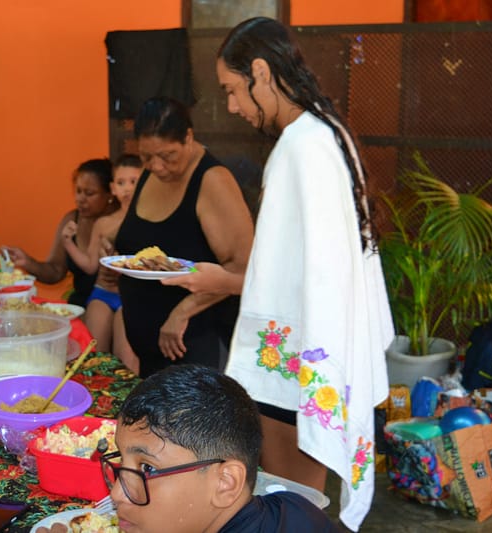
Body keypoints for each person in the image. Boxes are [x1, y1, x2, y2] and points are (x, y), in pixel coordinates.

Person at [162, 17, 394, 531]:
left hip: (292, 363)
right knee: (301, 504)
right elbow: (303, 270)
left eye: (232, 90)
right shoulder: (327, 133)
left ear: (261, 73)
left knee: (295, 506)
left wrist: (214, 282)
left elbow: (295, 280)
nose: (233, 107)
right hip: (310, 349)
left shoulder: (300, 146)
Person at [101, 364, 339, 532]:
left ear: (226, 483)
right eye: (121, 459)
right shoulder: (293, 507)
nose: (116, 494)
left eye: (147, 468)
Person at [114, 97, 254, 378]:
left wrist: (182, 312)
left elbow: (243, 269)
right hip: (151, 356)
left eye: (167, 156)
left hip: (194, 348)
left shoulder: (213, 181)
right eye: (146, 157)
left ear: (188, 137)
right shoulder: (151, 173)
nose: (156, 166)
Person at [63, 153, 141, 372]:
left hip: (131, 296)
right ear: (113, 188)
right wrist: (68, 243)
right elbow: (89, 265)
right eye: (121, 182)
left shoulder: (150, 222)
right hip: (103, 292)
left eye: (134, 182)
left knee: (127, 363)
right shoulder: (104, 223)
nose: (127, 188)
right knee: (91, 357)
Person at [2, 158, 116, 307]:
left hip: (113, 304)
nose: (80, 199)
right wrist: (28, 262)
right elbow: (56, 271)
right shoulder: (72, 220)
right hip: (80, 304)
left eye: (89, 193)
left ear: (110, 194)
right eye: (78, 191)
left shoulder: (120, 223)